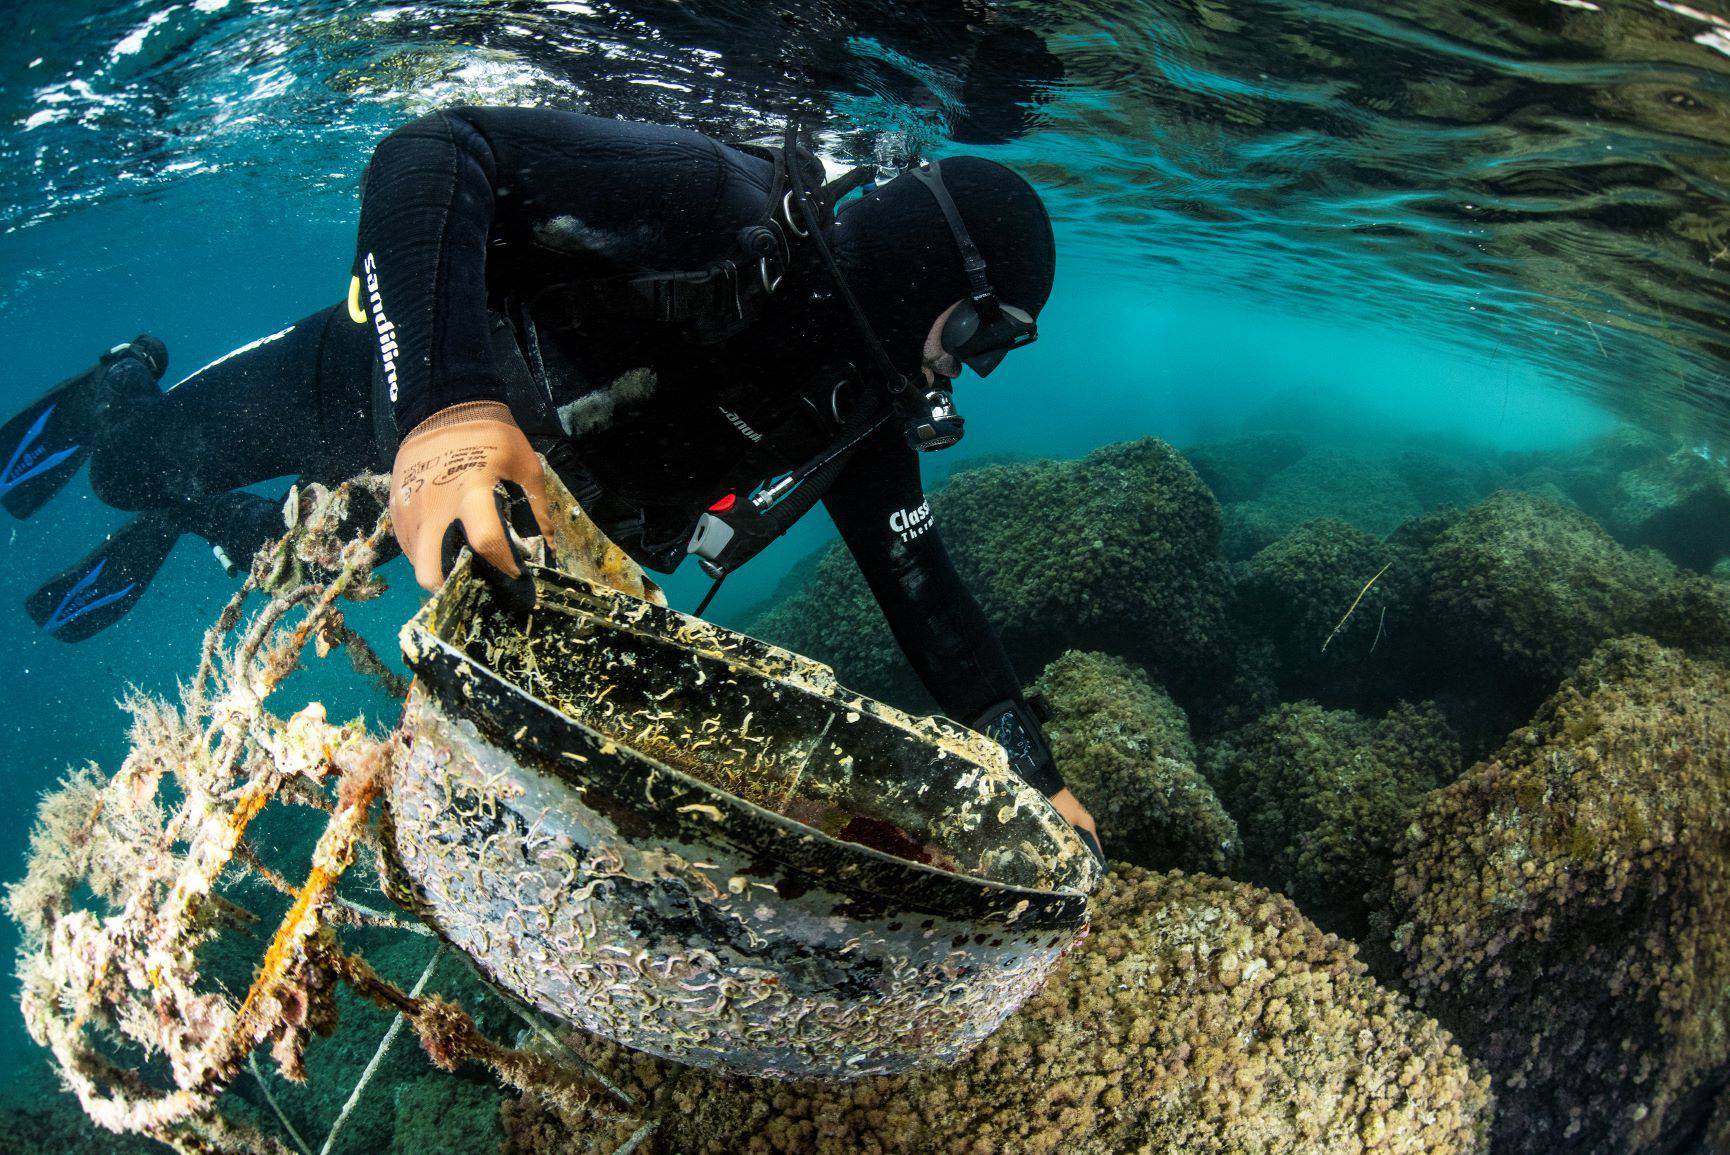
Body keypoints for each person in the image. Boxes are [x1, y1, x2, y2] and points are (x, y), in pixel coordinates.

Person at [0, 107, 1099, 855]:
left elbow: (924, 590)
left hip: (476, 514)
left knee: (281, 552)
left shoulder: (850, 420)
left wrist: (1031, 773)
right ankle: (121, 378)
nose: (973, 367)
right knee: (121, 471)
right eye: (982, 330)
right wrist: (440, 412)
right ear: (923, 270)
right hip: (370, 386)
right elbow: (429, 154)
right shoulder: (714, 201)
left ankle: (219, 525)